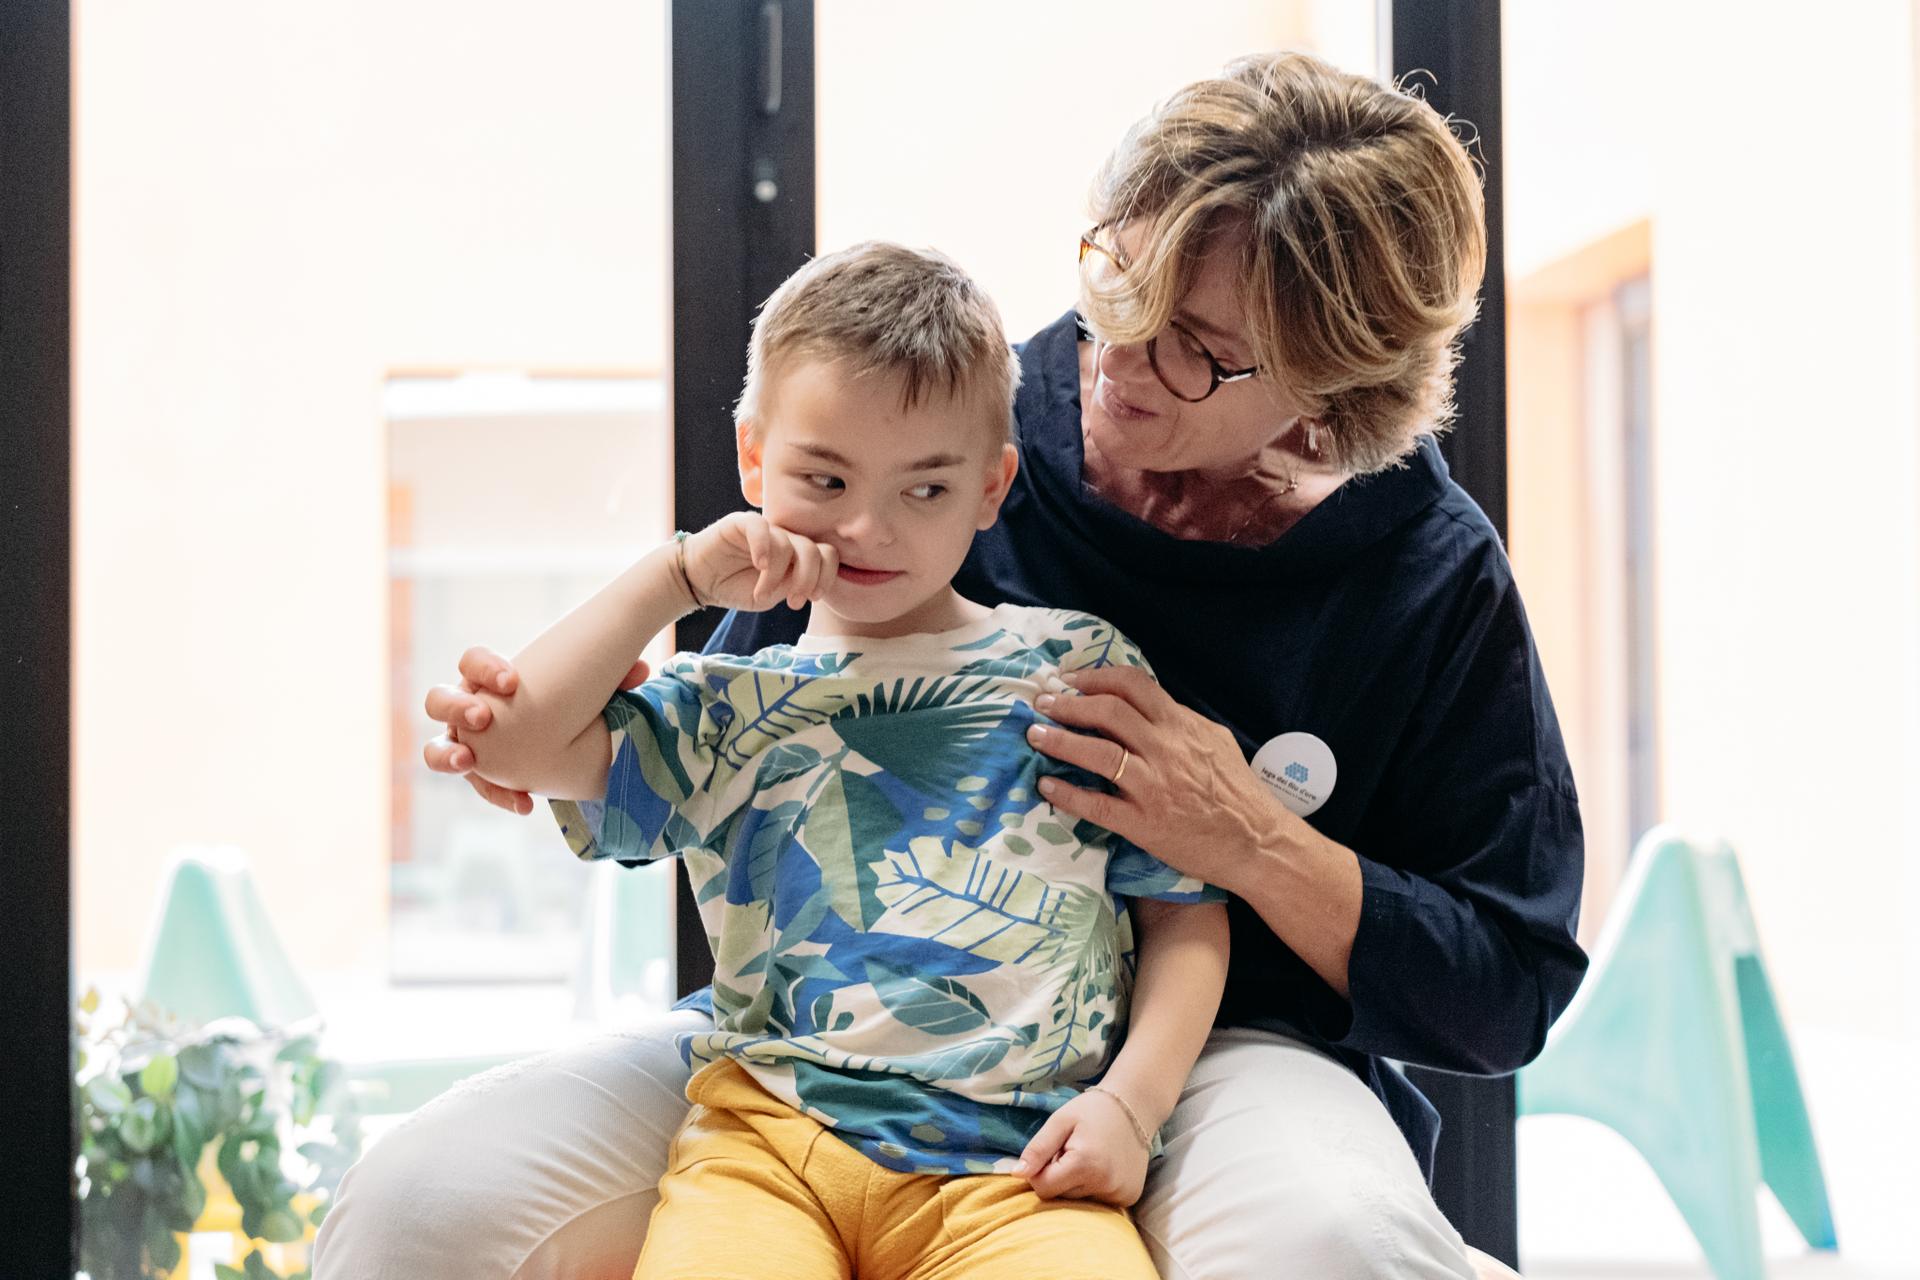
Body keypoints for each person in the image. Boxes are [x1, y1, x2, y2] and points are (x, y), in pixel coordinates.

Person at [315, 51, 1586, 1280]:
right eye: (1118, 283)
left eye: (1196, 345)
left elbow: (1503, 986)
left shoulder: (1426, 572)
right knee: (424, 1203)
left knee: (1342, 1248)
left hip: (1213, 1050)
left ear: (1333, 390)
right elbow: (727, 719)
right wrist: (557, 743)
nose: (1119, 359)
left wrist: (1251, 836)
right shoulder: (952, 425)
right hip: (826, 1040)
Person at [434, 239, 1232, 1280]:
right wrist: (677, 575)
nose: (867, 525)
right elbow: (517, 742)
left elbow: (1184, 916)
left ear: (992, 486)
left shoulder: (1077, 669)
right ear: (754, 459)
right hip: (766, 1152)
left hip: (1019, 1171)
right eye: (825, 477)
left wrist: (1131, 1103)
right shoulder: (728, 709)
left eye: (925, 489)